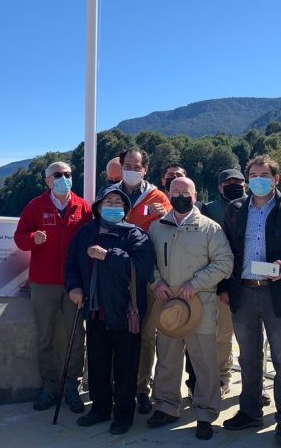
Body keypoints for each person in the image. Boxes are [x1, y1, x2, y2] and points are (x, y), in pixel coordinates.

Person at [221, 155, 281, 447]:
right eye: (253, 174)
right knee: (248, 357)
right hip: (245, 292)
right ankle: (251, 410)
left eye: (265, 174)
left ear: (276, 179)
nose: (258, 179)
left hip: (279, 293)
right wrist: (225, 287)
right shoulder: (236, 209)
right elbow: (226, 251)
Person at [147, 177, 233, 440]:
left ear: (196, 195)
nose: (181, 195)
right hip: (168, 306)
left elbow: (224, 263)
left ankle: (205, 413)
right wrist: (156, 281)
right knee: (167, 358)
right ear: (167, 194)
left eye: (186, 192)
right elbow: (146, 262)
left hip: (200, 305)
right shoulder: (156, 228)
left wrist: (196, 283)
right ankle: (166, 406)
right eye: (176, 192)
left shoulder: (210, 228)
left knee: (205, 362)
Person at [65, 185, 154, 435]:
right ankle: (100, 408)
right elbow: (72, 262)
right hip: (94, 310)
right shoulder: (86, 232)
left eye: (118, 202)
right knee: (97, 363)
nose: (113, 206)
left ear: (125, 209)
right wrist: (74, 287)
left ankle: (123, 414)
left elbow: (141, 268)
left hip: (125, 311)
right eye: (108, 202)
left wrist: (108, 255)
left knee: (126, 366)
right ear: (98, 207)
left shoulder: (136, 235)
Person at [15, 161, 92, 413]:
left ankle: (71, 384)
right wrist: (32, 239)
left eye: (68, 174)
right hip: (43, 283)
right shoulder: (35, 205)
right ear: (48, 180)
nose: (64, 178)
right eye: (58, 175)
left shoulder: (83, 206)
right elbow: (19, 238)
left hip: (74, 284)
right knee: (45, 336)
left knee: (76, 336)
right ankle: (50, 385)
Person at [119, 147, 171, 414]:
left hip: (149, 276)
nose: (132, 170)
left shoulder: (158, 197)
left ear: (145, 169)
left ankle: (141, 389)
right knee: (117, 331)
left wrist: (164, 215)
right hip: (116, 277)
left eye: (137, 166)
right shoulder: (111, 195)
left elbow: (174, 229)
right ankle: (119, 386)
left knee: (146, 335)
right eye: (127, 165)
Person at [205, 168, 249, 399]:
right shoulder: (209, 209)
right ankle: (222, 377)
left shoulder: (256, 205)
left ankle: (256, 384)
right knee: (221, 333)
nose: (234, 186)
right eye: (228, 182)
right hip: (219, 281)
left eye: (239, 182)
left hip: (251, 281)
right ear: (220, 187)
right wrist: (222, 286)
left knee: (252, 338)